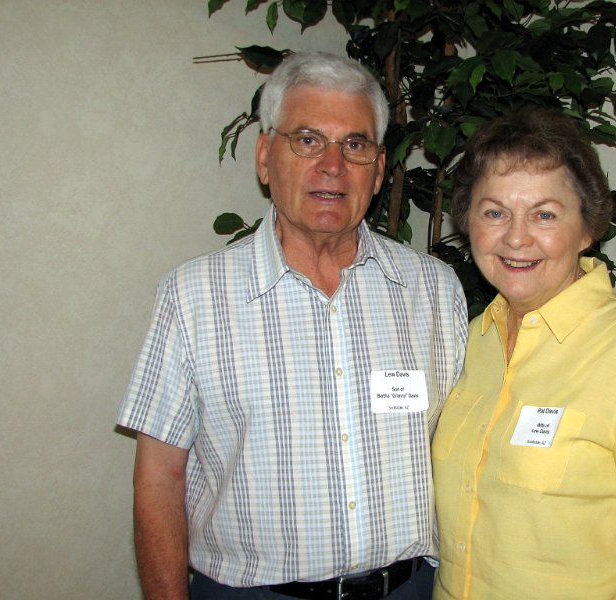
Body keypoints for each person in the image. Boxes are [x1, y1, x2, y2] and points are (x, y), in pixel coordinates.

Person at [118, 52, 467, 600]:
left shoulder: (434, 290)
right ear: (264, 157)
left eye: (355, 145)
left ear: (378, 171)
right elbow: (158, 481)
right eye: (307, 140)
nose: (333, 165)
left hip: (409, 589)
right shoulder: (192, 298)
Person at [431, 109, 616, 600]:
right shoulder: (474, 339)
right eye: (495, 212)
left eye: (545, 214)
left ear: (587, 229)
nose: (516, 237)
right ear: (469, 224)